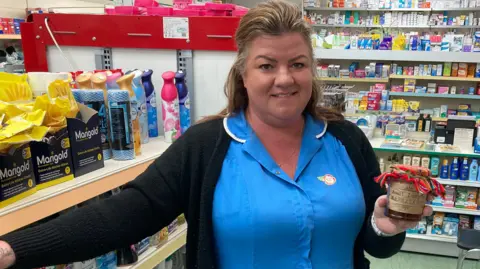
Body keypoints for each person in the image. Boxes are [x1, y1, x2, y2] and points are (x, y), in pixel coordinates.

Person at [0, 1, 432, 268]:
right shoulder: (206, 147)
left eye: (297, 63)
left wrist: (387, 226)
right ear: (244, 73)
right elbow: (127, 212)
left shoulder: (347, 141)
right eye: (267, 65)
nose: (285, 79)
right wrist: (13, 248)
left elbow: (377, 249)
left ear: (311, 69)